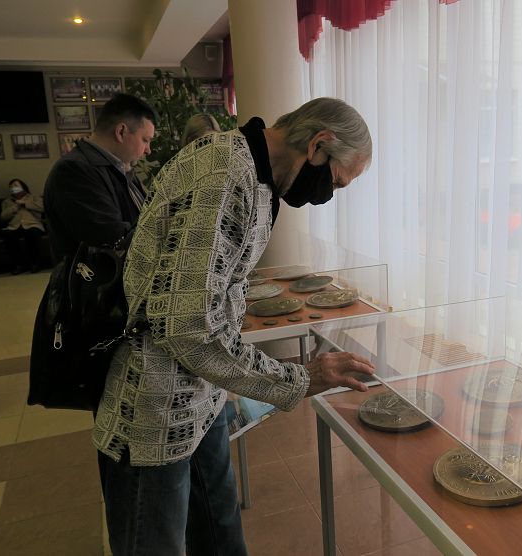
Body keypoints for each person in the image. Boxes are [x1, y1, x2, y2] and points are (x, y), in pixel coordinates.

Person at [93, 97, 374, 555]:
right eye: (337, 181)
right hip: (155, 412)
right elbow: (189, 328)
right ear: (319, 145)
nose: (329, 192)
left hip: (200, 399)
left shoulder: (253, 174)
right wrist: (298, 377)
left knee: (220, 535)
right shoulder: (224, 173)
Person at [44, 93, 155, 263]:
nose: (148, 150)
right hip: (101, 276)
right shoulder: (73, 171)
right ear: (121, 132)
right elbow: (111, 237)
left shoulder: (120, 168)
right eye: (145, 140)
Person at [0, 179, 44, 274]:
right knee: (9, 236)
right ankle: (19, 265)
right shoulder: (7, 202)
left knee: (33, 233)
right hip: (14, 226)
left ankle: (35, 264)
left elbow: (43, 208)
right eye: (11, 187)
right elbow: (3, 218)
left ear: (23, 186)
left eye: (15, 185)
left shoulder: (34, 197)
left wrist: (25, 204)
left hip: (32, 224)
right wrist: (14, 208)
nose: (13, 188)